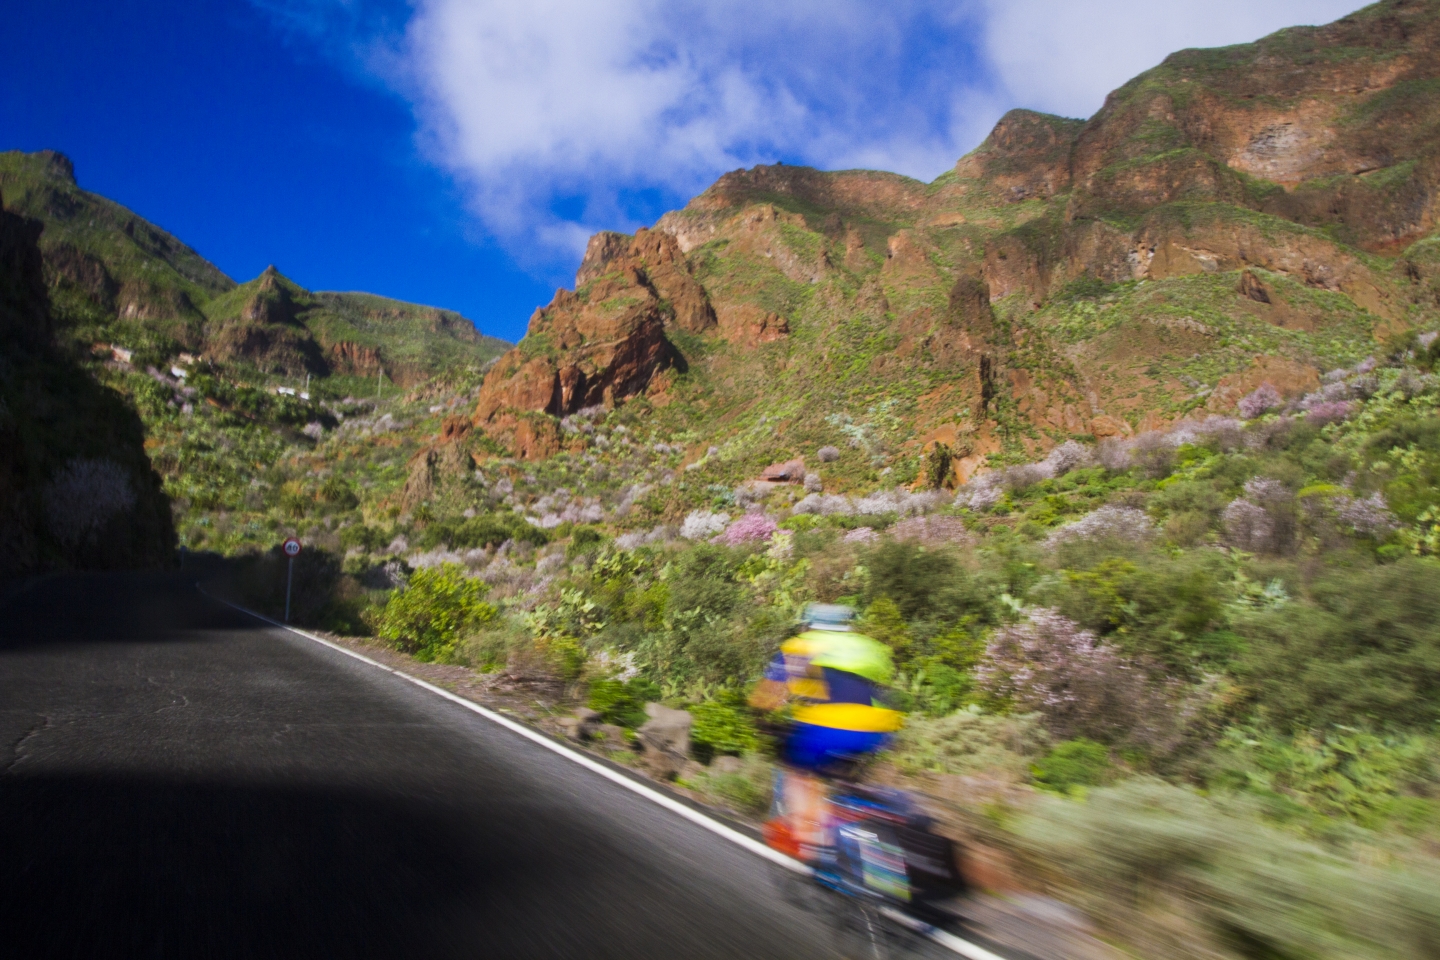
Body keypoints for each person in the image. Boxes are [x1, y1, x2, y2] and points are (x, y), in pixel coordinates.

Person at [751, 603, 902, 866]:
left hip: (828, 727)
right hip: (879, 728)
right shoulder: (868, 646)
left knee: (796, 773)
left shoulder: (801, 645)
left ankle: (815, 845)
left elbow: (769, 694)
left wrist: (758, 715)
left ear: (808, 624)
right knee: (846, 779)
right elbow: (880, 688)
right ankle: (863, 832)